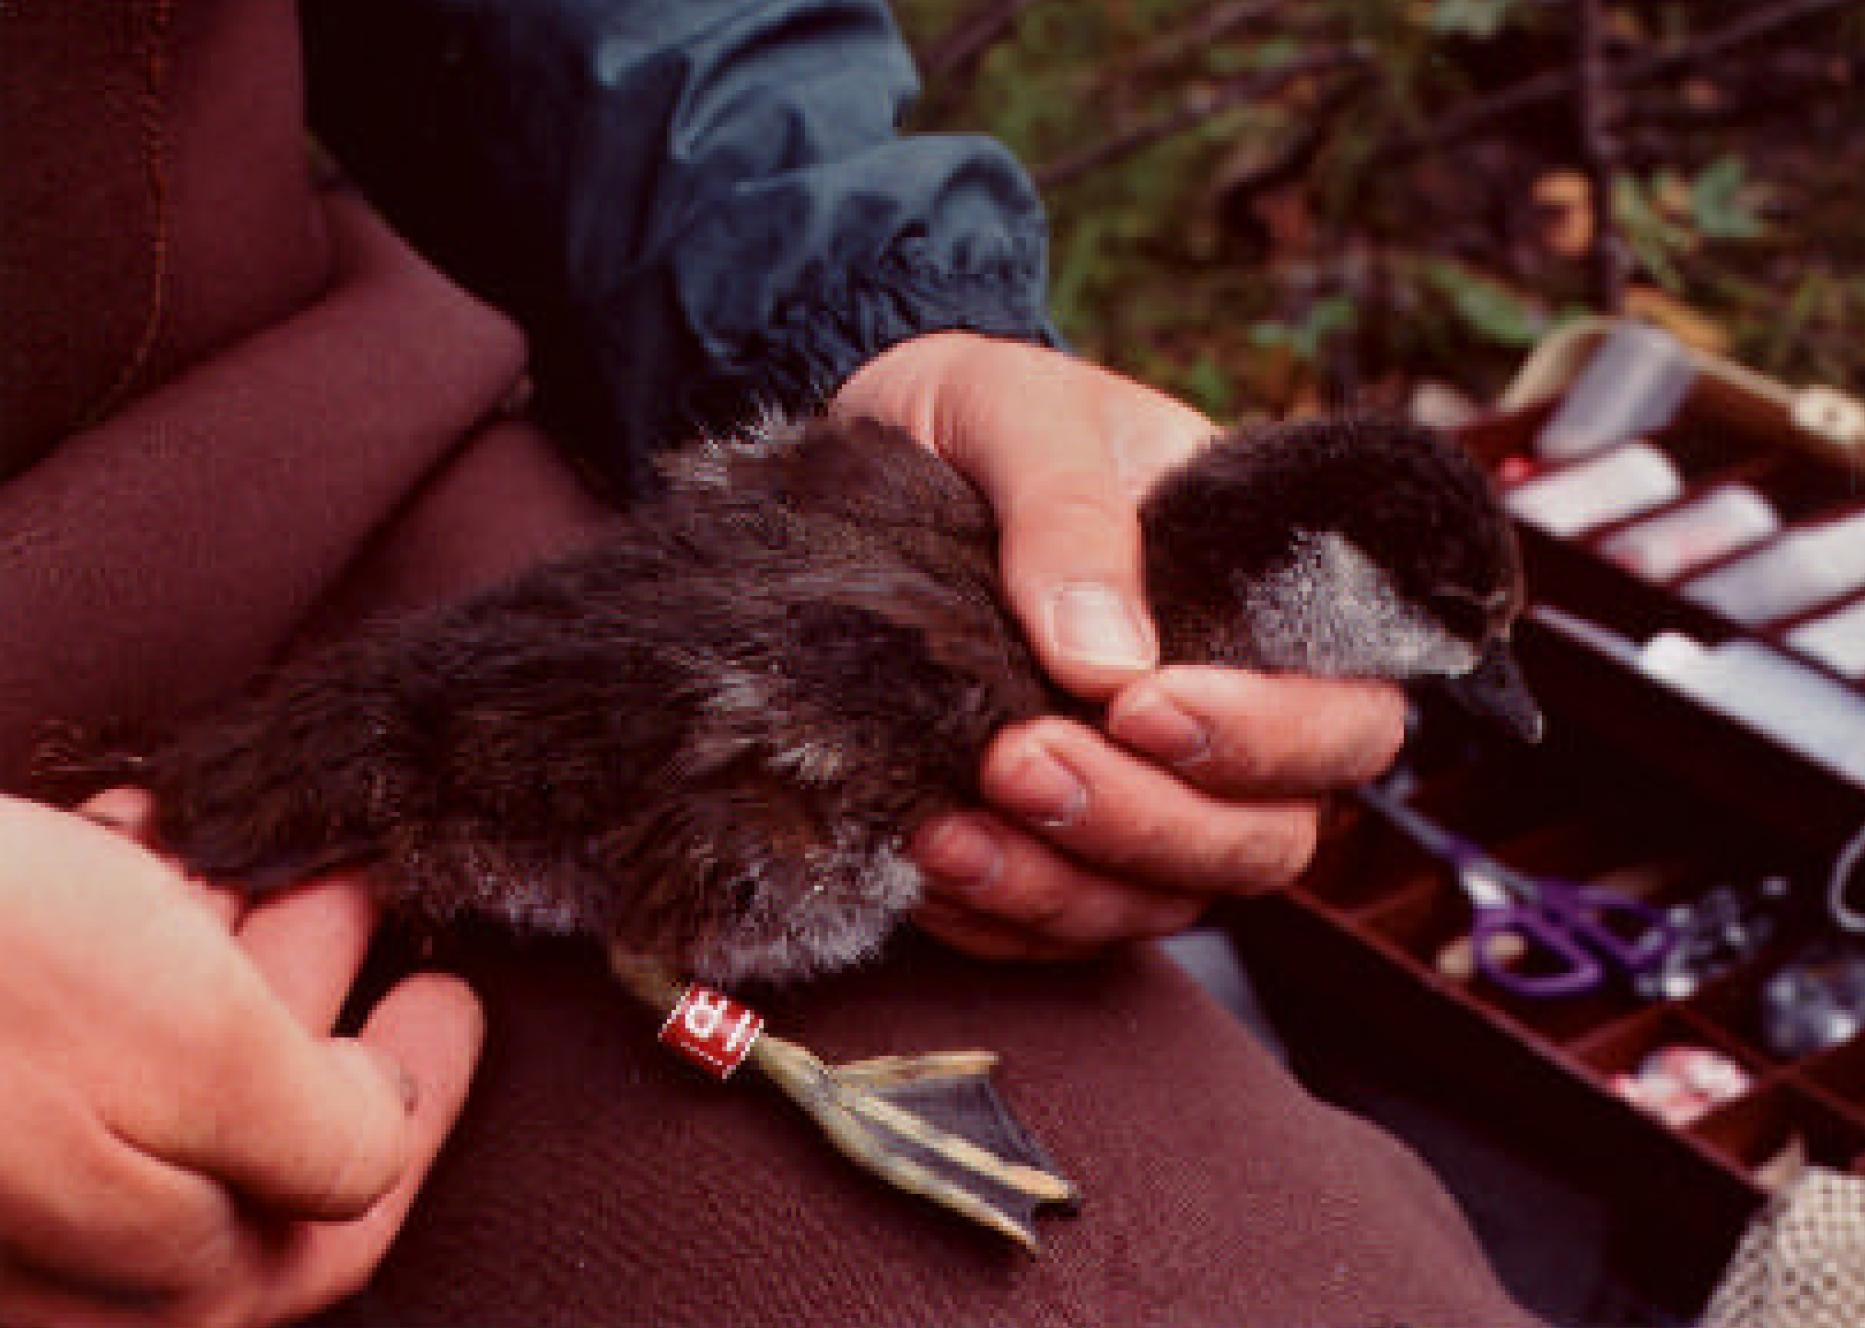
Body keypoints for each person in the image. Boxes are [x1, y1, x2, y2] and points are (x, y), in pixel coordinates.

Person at [0, 1, 1543, 1324]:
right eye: (1437, 625)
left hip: (324, 445)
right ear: (1302, 567)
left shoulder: (1021, 568)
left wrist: (865, 317)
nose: (1462, 674)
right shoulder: (912, 677)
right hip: (539, 763)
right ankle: (756, 1051)